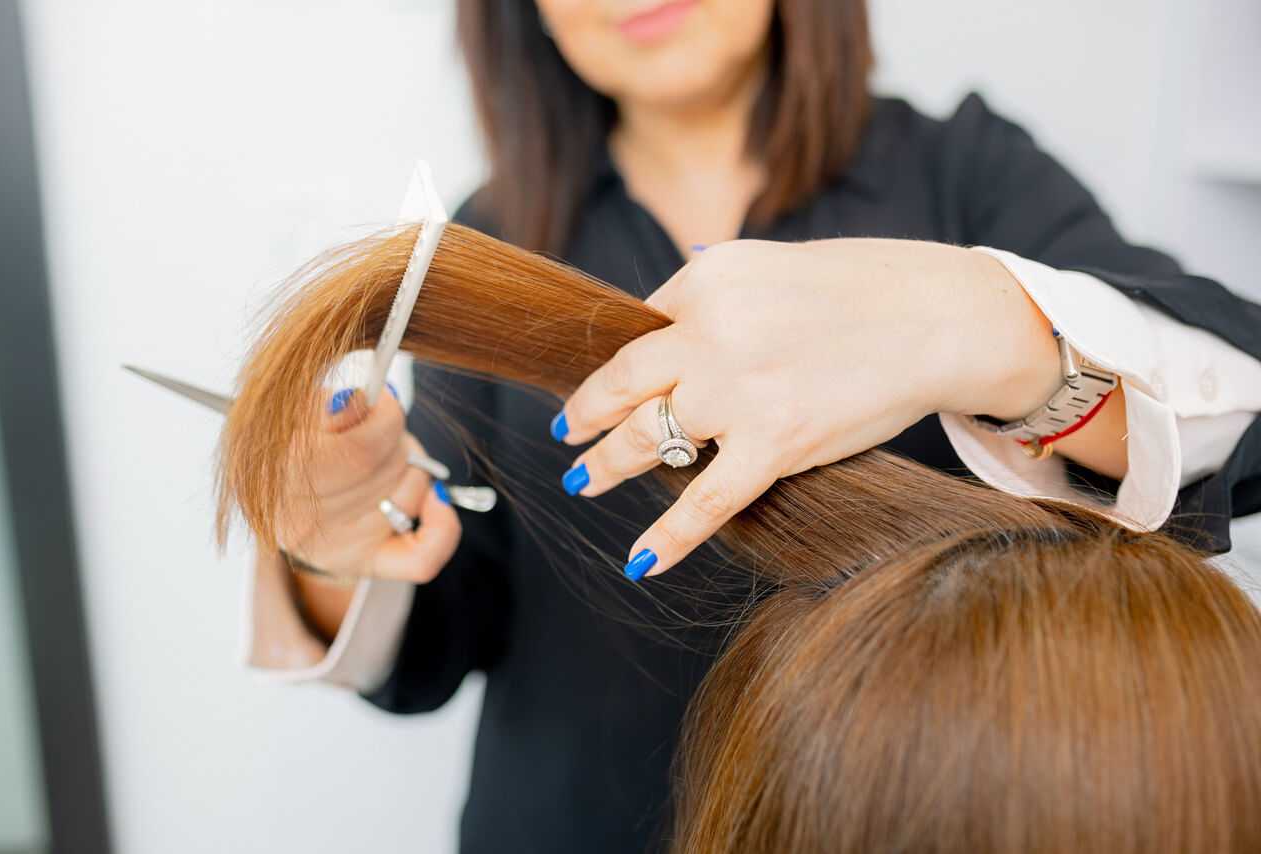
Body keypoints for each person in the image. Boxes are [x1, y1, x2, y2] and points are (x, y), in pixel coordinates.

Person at [240, 1, 1261, 851]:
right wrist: (341, 539)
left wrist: (976, 326)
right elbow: (441, 633)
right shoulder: (494, 237)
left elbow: (1240, 422)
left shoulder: (966, 172)